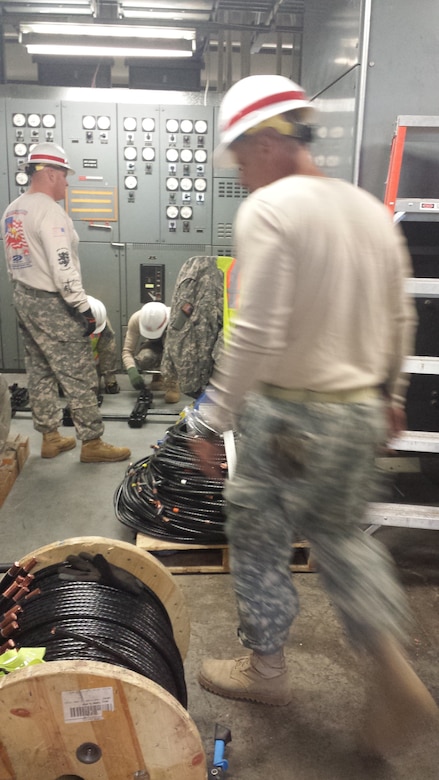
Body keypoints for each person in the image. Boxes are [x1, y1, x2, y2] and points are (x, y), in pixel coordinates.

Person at [190, 74, 438, 756]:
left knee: (259, 534)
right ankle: (388, 667)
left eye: (240, 157)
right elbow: (399, 314)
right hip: (359, 410)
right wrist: (389, 396)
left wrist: (208, 420)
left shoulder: (270, 212)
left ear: (269, 142)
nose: (240, 174)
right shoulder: (366, 213)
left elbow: (255, 333)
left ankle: (265, 669)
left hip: (288, 417)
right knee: (344, 543)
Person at [0, 142, 130, 463]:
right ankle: (92, 442)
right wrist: (82, 306)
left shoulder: (13, 209)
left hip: (24, 297)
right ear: (51, 173)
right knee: (78, 371)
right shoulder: (49, 211)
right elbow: (62, 265)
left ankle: (50, 436)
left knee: (40, 369)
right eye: (65, 175)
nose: (67, 183)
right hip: (52, 301)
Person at [122, 301, 180, 403]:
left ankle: (172, 383)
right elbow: (127, 351)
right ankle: (157, 378)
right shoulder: (136, 319)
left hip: (171, 345)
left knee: (171, 350)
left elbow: (176, 352)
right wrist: (132, 371)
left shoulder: (175, 318)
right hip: (152, 344)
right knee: (145, 358)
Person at [86, 295, 120, 395]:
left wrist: (110, 380)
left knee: (93, 388)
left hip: (93, 363)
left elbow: (108, 350)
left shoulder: (100, 319)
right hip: (71, 367)